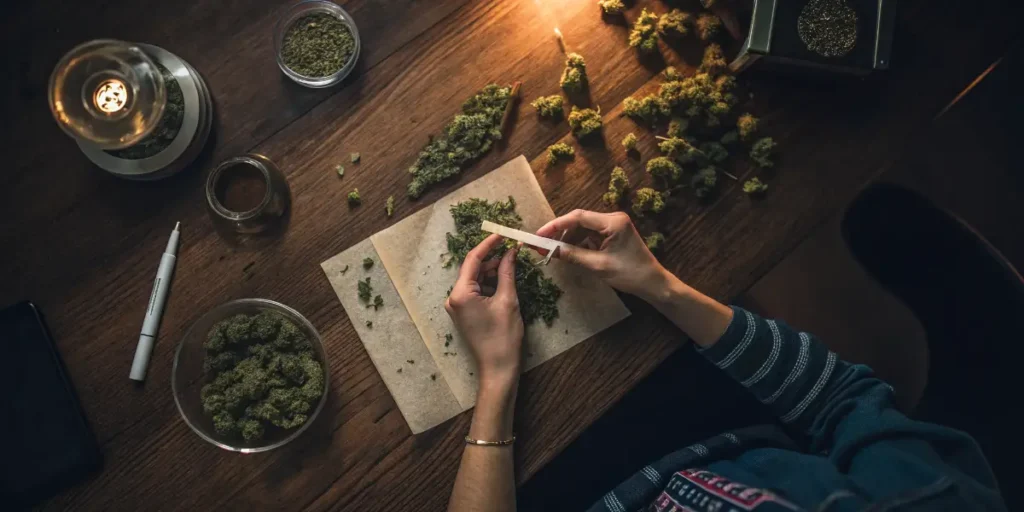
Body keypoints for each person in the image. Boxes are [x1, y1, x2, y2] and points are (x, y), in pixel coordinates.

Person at [443, 209, 1005, 512]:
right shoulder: (927, 499)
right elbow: (837, 399)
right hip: (735, 439)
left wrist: (497, 378)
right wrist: (661, 287)